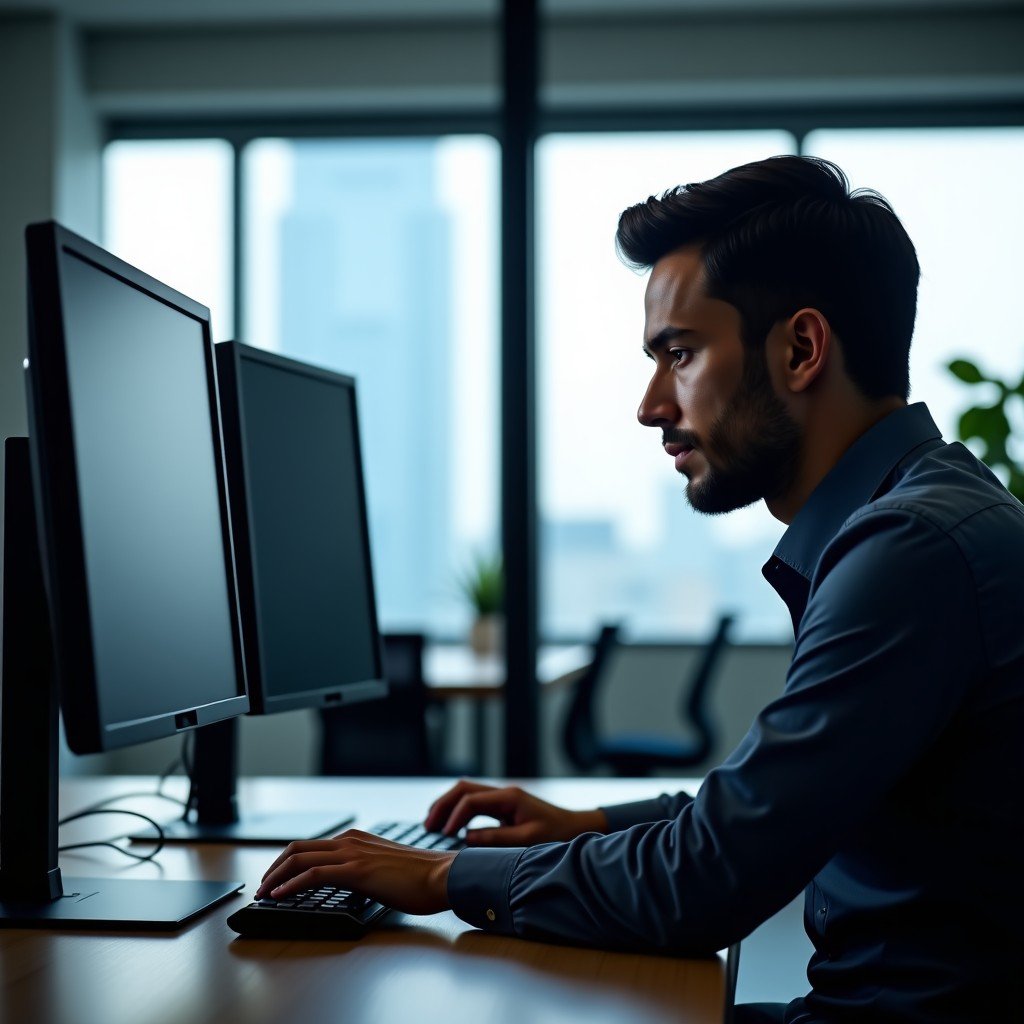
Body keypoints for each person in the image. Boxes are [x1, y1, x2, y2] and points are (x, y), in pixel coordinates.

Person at [256, 155, 1023, 1022]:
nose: (651, 404)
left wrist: (442, 874)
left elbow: (709, 878)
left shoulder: (908, 551)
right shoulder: (916, 518)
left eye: (680, 354)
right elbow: (766, 811)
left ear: (802, 348)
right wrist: (583, 824)